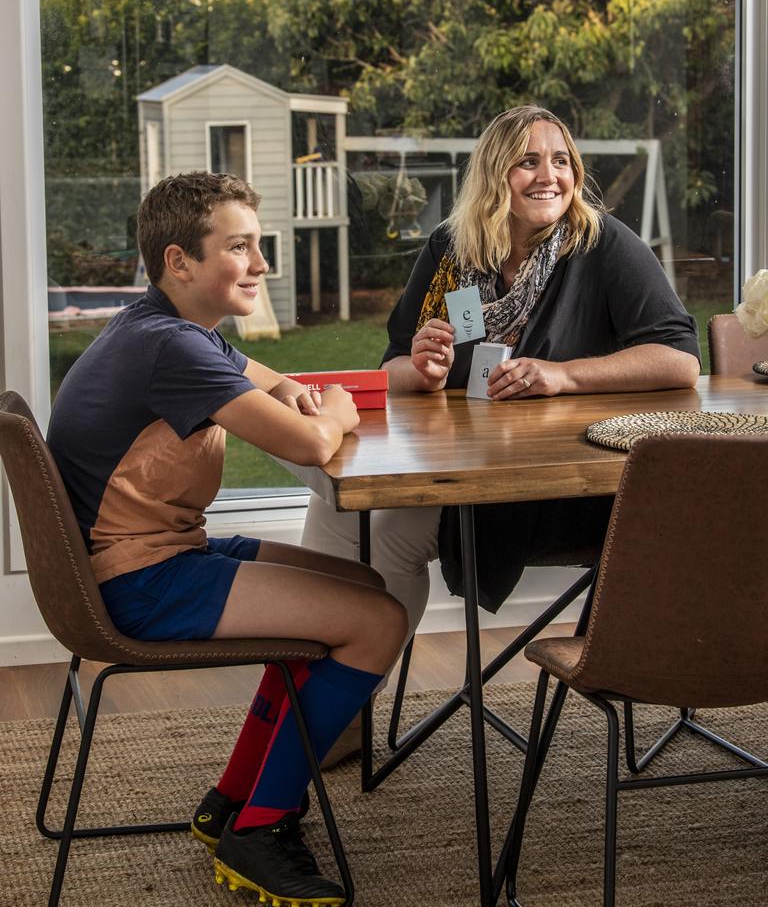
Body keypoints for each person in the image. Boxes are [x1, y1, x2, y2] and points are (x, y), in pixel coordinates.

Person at [47, 171, 408, 906]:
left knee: (366, 588)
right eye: (240, 248)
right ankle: (262, 828)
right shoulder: (173, 351)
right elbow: (311, 445)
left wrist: (299, 399)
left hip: (156, 558)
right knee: (381, 621)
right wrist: (334, 409)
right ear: (179, 261)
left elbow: (272, 384)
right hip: (140, 581)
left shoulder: (164, 329)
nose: (261, 265)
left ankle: (233, 801)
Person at [302, 104, 701, 758]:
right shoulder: (452, 253)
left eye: (561, 160)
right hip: (470, 474)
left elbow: (679, 356)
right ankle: (326, 705)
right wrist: (426, 371)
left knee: (389, 535)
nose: (549, 176)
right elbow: (395, 365)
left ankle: (330, 713)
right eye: (528, 160)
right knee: (343, 516)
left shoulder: (600, 245)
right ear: (496, 174)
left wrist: (564, 377)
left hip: (568, 493)